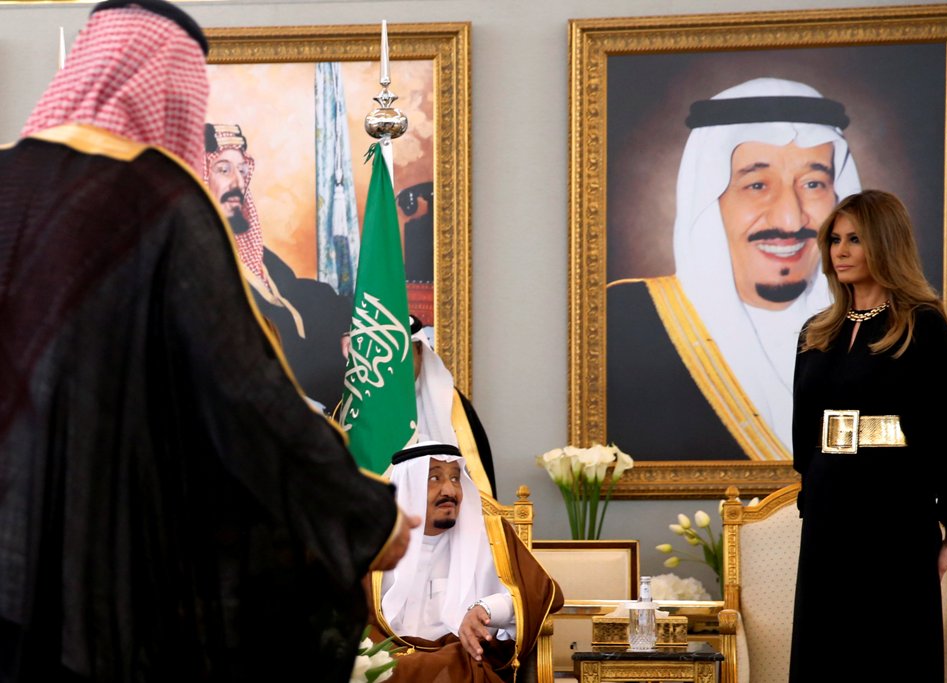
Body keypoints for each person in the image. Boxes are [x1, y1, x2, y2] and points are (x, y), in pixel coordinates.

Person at [0, 2, 415, 680]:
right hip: (100, 584)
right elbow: (247, 395)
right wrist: (362, 514)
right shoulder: (156, 197)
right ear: (169, 88)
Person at [607, 77, 862, 461]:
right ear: (709, 203)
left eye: (813, 183)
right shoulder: (628, 320)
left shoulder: (878, 328)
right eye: (757, 185)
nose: (791, 219)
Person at [788, 190, 947, 682]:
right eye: (835, 239)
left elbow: (943, 428)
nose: (841, 251)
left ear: (886, 245)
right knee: (825, 649)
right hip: (828, 508)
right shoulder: (816, 331)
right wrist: (812, 492)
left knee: (891, 651)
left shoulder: (923, 327)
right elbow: (804, 429)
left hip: (894, 509)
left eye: (855, 239)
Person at [372, 442, 562, 683]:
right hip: (390, 664)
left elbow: (542, 593)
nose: (449, 491)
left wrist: (487, 609)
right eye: (434, 478)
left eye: (455, 478)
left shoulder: (493, 536)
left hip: (463, 662)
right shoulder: (374, 544)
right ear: (409, 487)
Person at [204, 122, 353, 412]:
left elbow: (299, 295)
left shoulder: (257, 254)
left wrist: (345, 327)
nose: (238, 182)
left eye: (242, 170)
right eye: (223, 169)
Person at [410, 315, 497, 495]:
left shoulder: (453, 405)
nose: (397, 366)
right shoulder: (361, 412)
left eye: (404, 355)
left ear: (419, 351)